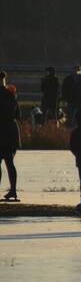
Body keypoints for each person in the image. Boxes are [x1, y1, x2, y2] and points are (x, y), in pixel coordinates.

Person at [0, 73, 20, 202]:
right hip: (10, 131)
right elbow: (17, 114)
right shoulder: (10, 95)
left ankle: (12, 190)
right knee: (9, 162)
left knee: (6, 162)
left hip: (4, 131)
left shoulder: (7, 94)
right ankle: (13, 190)